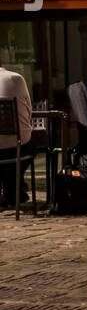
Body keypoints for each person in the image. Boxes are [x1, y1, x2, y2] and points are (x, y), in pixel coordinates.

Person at [0, 65, 33, 208]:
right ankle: (14, 190)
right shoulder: (15, 79)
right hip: (17, 147)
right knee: (30, 146)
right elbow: (28, 111)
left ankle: (13, 190)